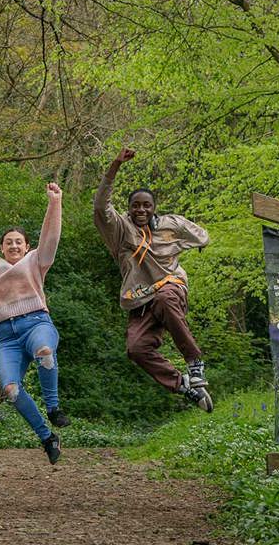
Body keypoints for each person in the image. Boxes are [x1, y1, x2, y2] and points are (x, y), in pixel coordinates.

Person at [94, 147, 214, 412]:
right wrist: (115, 165)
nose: (141, 209)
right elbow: (101, 205)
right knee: (136, 349)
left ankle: (195, 363)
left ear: (154, 208)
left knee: (165, 295)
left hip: (171, 290)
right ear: (128, 209)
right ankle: (183, 386)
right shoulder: (120, 230)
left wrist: (202, 243)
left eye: (146, 205)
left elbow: (201, 234)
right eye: (135, 205)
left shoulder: (170, 225)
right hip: (140, 299)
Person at [0, 183, 69, 464]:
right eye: (8, 242)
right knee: (10, 390)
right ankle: (47, 437)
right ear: (1, 247)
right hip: (5, 336)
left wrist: (54, 202)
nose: (13, 245)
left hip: (36, 323)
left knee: (45, 352)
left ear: (27, 247)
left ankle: (53, 407)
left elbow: (51, 238)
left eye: (18, 242)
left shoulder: (36, 261)